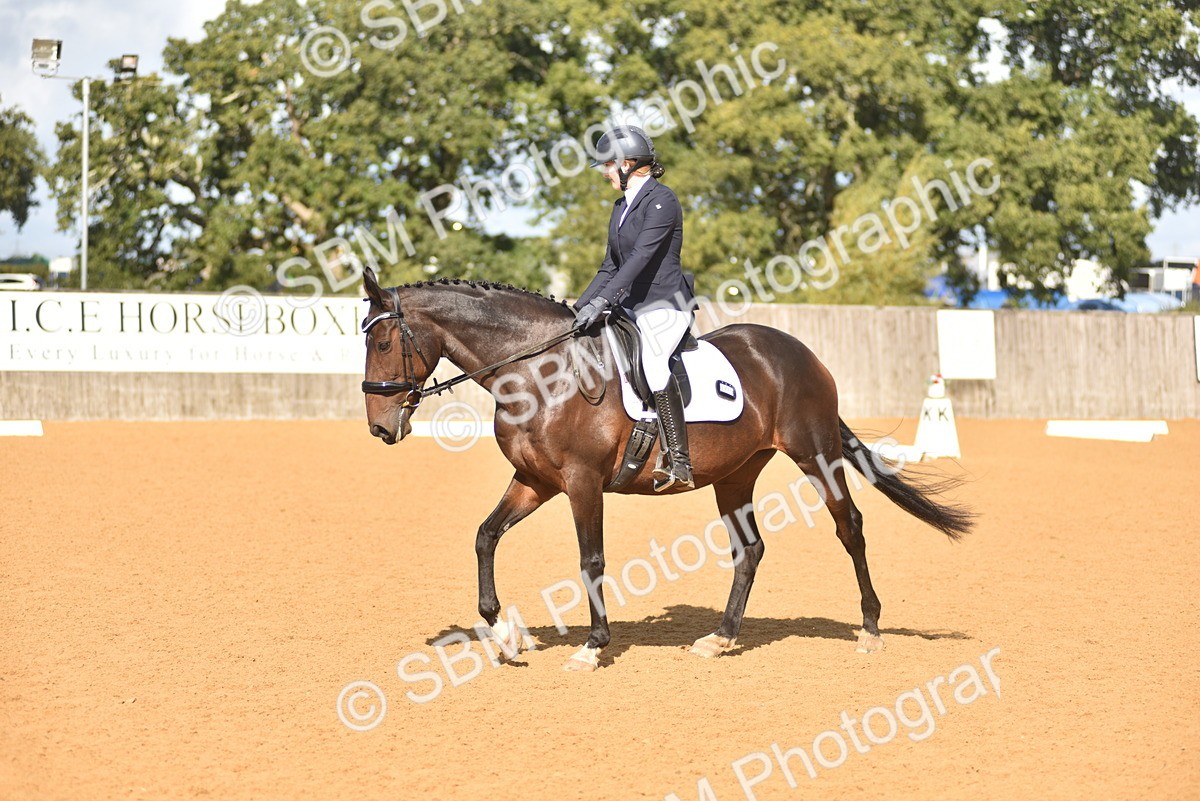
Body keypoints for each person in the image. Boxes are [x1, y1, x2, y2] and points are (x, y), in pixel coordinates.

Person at [573, 125, 697, 491]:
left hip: (664, 304)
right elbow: (610, 265)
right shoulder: (621, 207)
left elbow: (642, 257)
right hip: (629, 307)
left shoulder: (663, 200)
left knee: (655, 363)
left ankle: (679, 461)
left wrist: (604, 300)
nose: (605, 173)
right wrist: (579, 308)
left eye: (608, 166)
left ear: (628, 164)